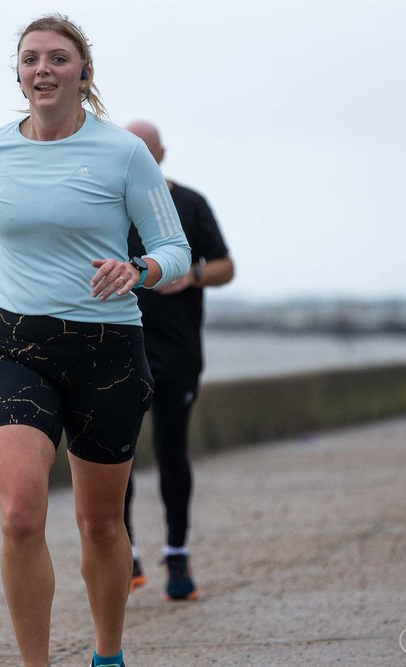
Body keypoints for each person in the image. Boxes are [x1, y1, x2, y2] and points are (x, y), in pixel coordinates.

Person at [0, 16, 190, 667]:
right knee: (20, 514)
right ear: (19, 73)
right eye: (31, 59)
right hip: (16, 345)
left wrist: (137, 270)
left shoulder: (123, 153)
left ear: (84, 73)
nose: (43, 68)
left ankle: (107, 653)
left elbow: (177, 250)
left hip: (106, 349)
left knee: (100, 522)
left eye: (58, 57)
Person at [120, 121, 235, 601]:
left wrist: (194, 274)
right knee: (113, 459)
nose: (141, 154)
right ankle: (123, 555)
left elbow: (227, 266)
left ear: (162, 153)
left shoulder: (190, 203)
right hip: (119, 350)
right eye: (132, 147)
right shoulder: (109, 206)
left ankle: (177, 554)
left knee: (171, 454)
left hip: (179, 352)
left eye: (149, 148)